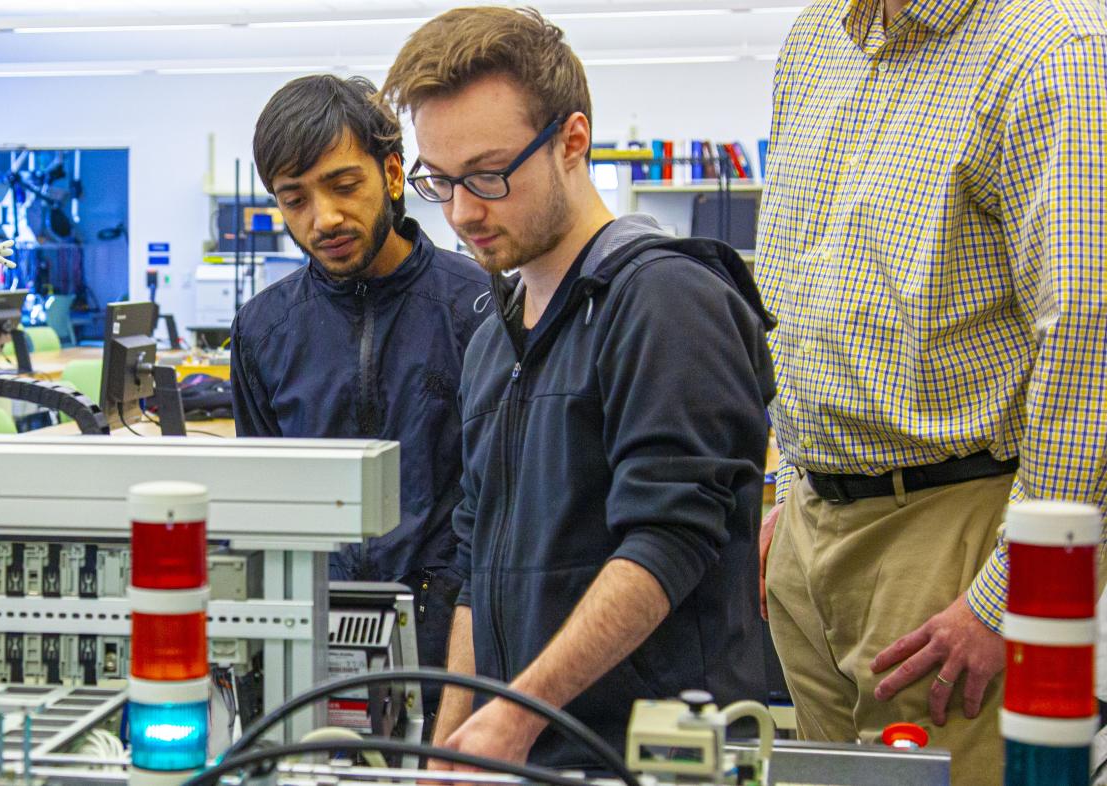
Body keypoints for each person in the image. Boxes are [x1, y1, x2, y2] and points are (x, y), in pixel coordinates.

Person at [378, 6, 775, 771]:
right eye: (441, 181)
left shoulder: (666, 301)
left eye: (490, 175)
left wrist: (514, 717)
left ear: (571, 141)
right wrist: (452, 736)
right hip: (522, 749)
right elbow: (474, 552)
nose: (462, 212)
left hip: (642, 753)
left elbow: (667, 542)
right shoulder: (495, 337)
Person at [756, 0, 1107, 779]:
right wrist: (789, 488)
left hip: (955, 533)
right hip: (813, 522)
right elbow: (796, 289)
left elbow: (1088, 340)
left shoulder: (1050, 46)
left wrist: (1007, 598)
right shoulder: (819, 35)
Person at [230, 74, 494, 727]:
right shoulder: (264, 331)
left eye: (343, 185)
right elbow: (263, 511)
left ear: (394, 172)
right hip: (311, 649)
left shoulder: (479, 310)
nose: (323, 219)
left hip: (455, 651)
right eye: (295, 199)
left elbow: (498, 513)